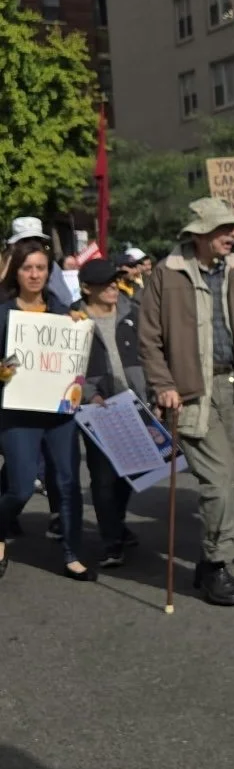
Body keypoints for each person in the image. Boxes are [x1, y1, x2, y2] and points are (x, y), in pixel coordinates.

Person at [137, 197, 234, 607]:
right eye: (222, 230)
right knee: (216, 483)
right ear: (198, 236)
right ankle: (216, 564)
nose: (231, 236)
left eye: (233, 229)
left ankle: (215, 560)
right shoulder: (167, 273)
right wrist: (162, 383)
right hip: (195, 393)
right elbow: (149, 337)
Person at [0, 238, 93, 580]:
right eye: (28, 268)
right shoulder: (3, 312)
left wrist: (79, 332)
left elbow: (77, 363)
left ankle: (72, 552)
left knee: (67, 482)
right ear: (17, 272)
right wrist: (2, 370)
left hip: (58, 412)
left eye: (41, 267)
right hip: (18, 411)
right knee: (21, 487)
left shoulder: (63, 313)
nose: (35, 275)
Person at [74, 257, 146, 569]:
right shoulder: (73, 320)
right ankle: (111, 540)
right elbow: (70, 368)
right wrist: (91, 394)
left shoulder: (134, 314)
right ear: (87, 288)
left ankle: (116, 521)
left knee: (133, 473)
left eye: (114, 280)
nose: (113, 286)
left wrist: (153, 392)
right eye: (105, 283)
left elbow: (150, 354)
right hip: (97, 410)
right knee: (103, 478)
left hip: (134, 407)